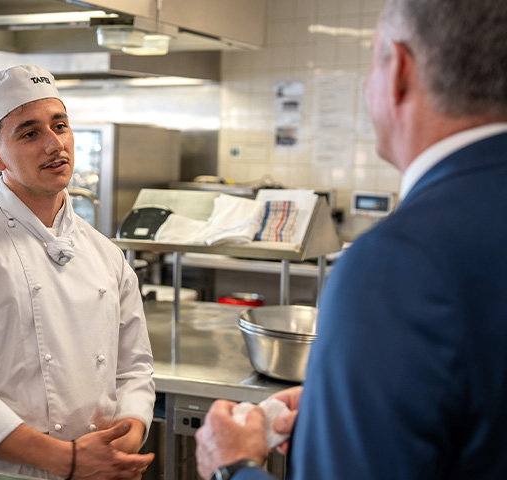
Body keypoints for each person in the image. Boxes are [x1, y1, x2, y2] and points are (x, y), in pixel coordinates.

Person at [196, 0, 507, 478]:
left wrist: (233, 465)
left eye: (372, 60)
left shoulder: (397, 263)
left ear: (399, 70)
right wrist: (339, 421)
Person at [0, 65, 156, 479]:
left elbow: (134, 369)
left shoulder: (105, 253)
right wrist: (67, 460)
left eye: (60, 125)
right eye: (30, 133)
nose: (55, 144)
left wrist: (125, 439)